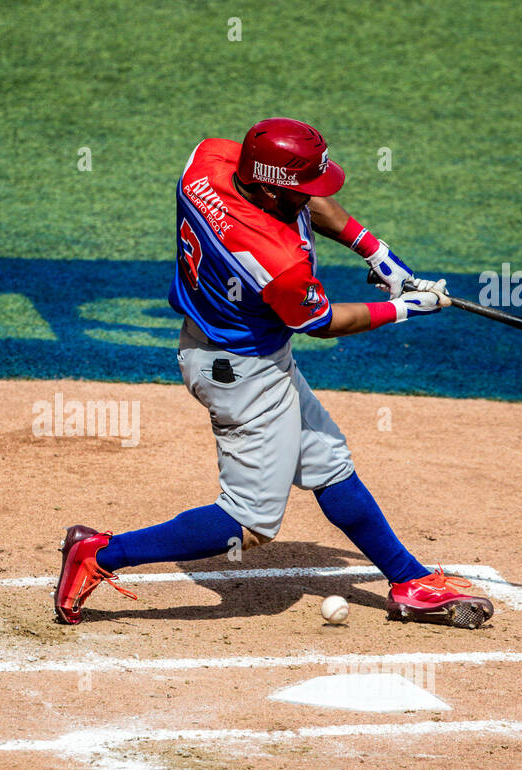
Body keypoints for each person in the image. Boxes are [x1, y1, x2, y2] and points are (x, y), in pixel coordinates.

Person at [54, 118, 494, 630]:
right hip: (243, 375)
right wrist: (406, 308)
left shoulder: (209, 160)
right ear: (267, 187)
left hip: (239, 352)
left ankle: (407, 580)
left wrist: (373, 250)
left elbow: (310, 200)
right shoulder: (273, 258)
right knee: (249, 522)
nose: (310, 196)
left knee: (328, 462)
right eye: (300, 188)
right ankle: (100, 554)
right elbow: (324, 322)